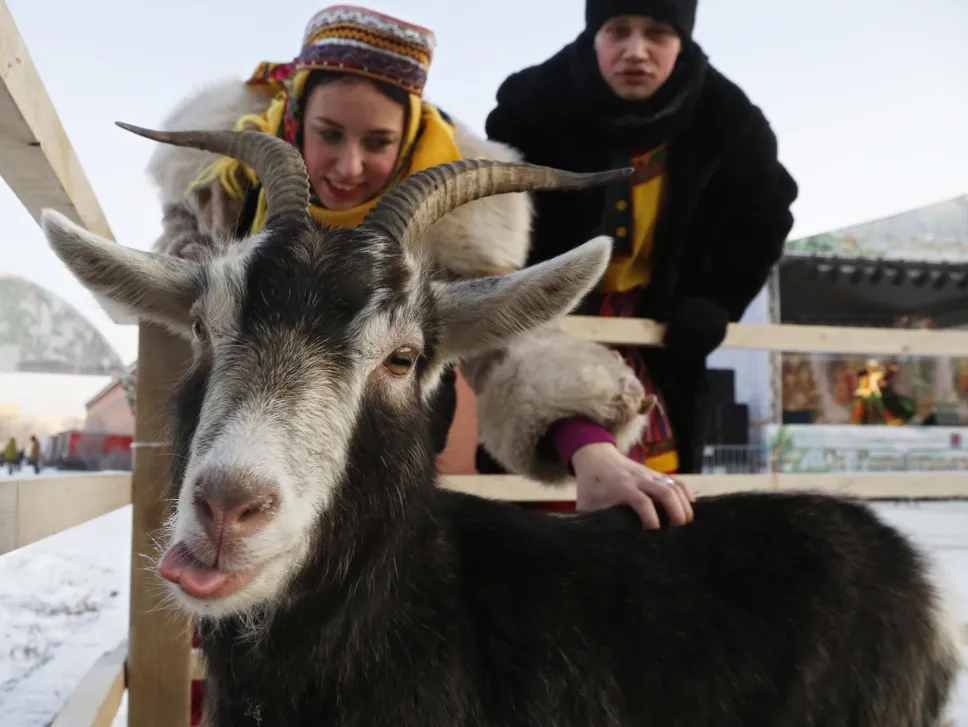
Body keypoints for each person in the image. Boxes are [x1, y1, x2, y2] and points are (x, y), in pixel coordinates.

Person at [145, 3, 688, 531]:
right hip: (236, 448)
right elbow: (187, 271)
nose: (349, 166)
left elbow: (510, 342)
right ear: (296, 117)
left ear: (406, 139)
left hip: (373, 451)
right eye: (329, 134)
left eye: (378, 141)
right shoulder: (220, 189)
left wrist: (591, 453)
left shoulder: (450, 220)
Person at [482, 0, 799, 513]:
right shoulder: (530, 106)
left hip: (657, 338)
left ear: (683, 41)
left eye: (657, 33)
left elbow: (764, 217)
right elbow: (491, 221)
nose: (636, 51)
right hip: (544, 327)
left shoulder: (731, 121)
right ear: (594, 36)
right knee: (531, 494)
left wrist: (715, 300)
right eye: (618, 30)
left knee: (655, 501)